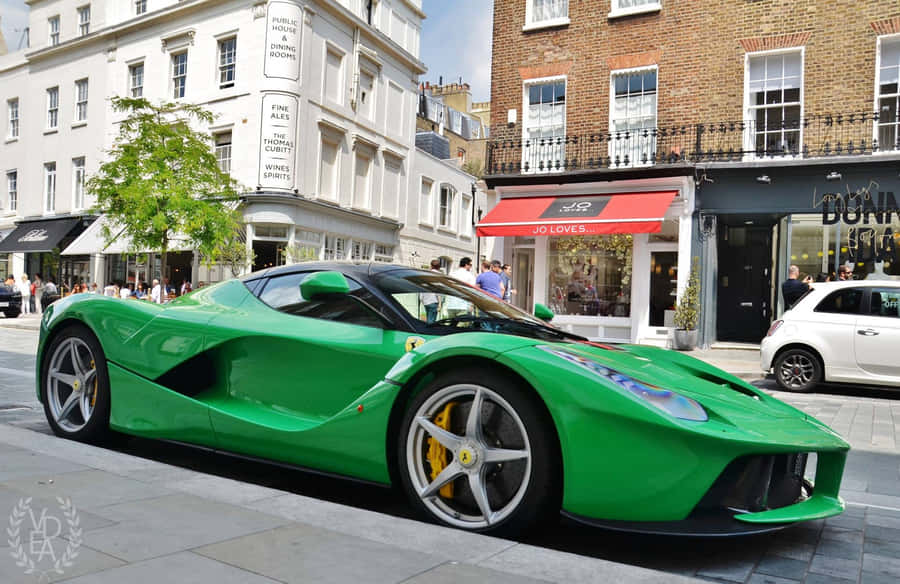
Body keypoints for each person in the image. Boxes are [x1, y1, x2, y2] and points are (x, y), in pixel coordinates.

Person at [421, 259, 442, 323]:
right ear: (439, 267)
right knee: (431, 322)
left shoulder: (425, 273)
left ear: (431, 266)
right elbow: (438, 289)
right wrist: (440, 304)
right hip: (434, 300)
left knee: (428, 319)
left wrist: (421, 298)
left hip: (425, 300)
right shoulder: (439, 275)